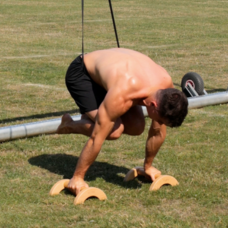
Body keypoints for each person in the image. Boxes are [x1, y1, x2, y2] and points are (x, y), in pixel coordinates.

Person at [57, 48, 188, 194]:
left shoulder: (166, 87)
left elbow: (157, 132)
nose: (160, 124)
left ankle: (93, 114)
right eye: (159, 120)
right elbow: (96, 138)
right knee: (113, 130)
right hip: (83, 72)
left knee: (137, 127)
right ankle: (69, 124)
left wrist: (148, 167)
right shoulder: (125, 92)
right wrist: (77, 177)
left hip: (115, 76)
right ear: (153, 105)